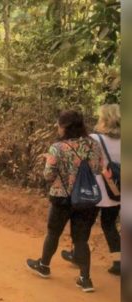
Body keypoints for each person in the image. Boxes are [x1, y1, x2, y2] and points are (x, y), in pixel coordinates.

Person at [26, 110, 104, 292]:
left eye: (59, 124)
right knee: (81, 239)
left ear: (65, 127)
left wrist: (49, 161)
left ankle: (44, 266)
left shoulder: (57, 147)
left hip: (62, 197)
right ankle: (85, 279)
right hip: (86, 198)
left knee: (53, 233)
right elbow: (99, 169)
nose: (57, 128)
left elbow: (48, 175)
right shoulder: (93, 144)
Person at [60, 104, 121, 276]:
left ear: (105, 120)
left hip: (95, 191)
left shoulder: (94, 139)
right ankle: (119, 262)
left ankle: (77, 255)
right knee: (109, 225)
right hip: (116, 191)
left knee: (83, 225)